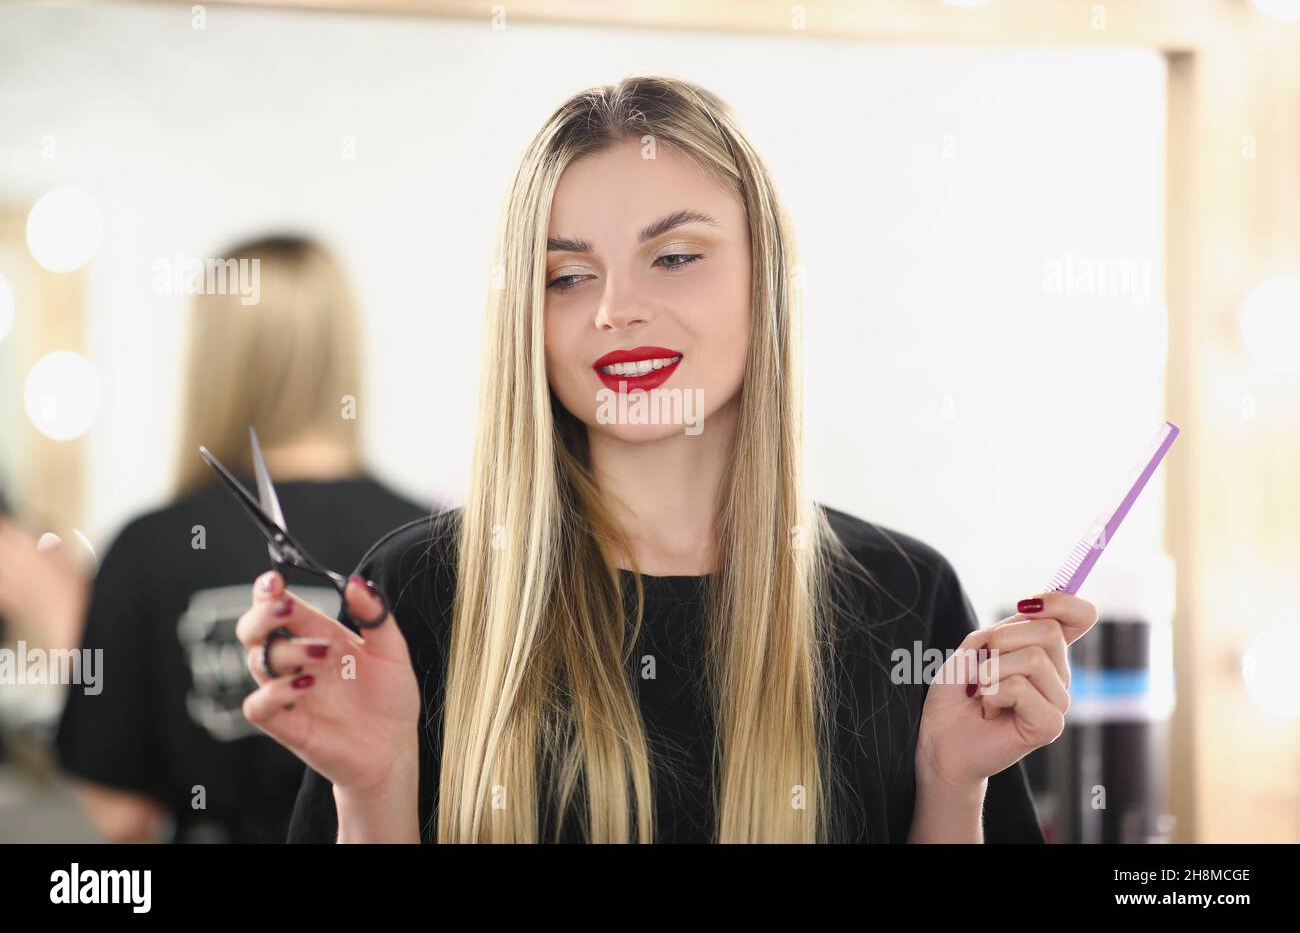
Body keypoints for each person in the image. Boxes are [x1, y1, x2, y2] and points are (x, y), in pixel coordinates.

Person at [238, 76, 1098, 843]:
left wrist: (952, 791)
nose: (616, 308)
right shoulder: (419, 592)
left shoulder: (904, 596)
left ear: (767, 281)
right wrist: (376, 791)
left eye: (675, 258)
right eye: (567, 276)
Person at [52, 235, 430, 842]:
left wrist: (63, 628)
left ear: (212, 363)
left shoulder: (146, 549)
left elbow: (123, 816)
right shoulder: (428, 540)